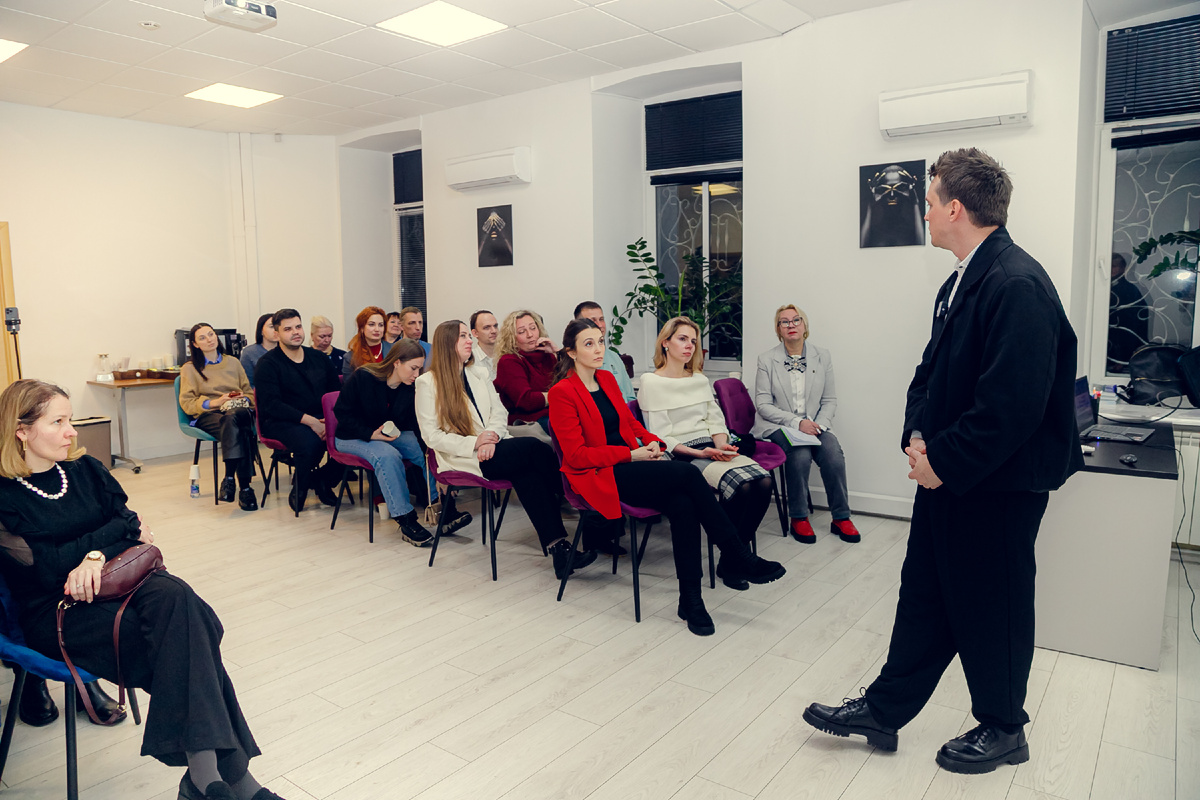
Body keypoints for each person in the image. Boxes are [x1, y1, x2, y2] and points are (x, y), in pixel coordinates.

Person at [803, 148, 1084, 775]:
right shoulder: (959, 280)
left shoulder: (1016, 284)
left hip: (996, 484)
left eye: (928, 202)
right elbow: (928, 374)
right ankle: (884, 710)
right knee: (926, 593)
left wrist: (942, 461)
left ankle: (1004, 728)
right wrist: (917, 436)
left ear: (955, 208)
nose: (924, 213)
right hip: (951, 475)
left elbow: (1012, 406)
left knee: (992, 602)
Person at [0, 379, 287, 800]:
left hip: (122, 580)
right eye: (57, 422)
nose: (71, 432)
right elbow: (44, 568)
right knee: (188, 639)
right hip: (58, 609)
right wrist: (106, 542)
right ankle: (226, 781)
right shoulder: (5, 495)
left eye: (70, 420)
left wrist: (93, 556)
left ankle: (205, 781)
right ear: (21, 430)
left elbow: (129, 522)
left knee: (182, 602)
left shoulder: (86, 469)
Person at [548, 318, 786, 637]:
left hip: (631, 464)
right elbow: (576, 456)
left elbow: (630, 426)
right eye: (588, 344)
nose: (598, 349)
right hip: (598, 474)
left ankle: (691, 601)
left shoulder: (605, 379)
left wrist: (653, 443)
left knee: (683, 503)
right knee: (687, 473)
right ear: (571, 352)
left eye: (600, 341)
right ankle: (736, 553)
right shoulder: (562, 393)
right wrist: (631, 454)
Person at [415, 320, 594, 579]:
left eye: (468, 335)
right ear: (446, 343)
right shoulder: (427, 383)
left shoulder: (478, 373)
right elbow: (431, 436)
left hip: (494, 446)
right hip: (463, 456)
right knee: (534, 448)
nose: (469, 340)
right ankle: (582, 494)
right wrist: (476, 442)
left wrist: (491, 437)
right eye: (463, 336)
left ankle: (560, 551)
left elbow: (499, 412)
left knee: (528, 474)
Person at [638, 317, 772, 588]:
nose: (690, 346)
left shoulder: (699, 379)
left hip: (710, 447)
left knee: (764, 481)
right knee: (744, 486)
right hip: (681, 454)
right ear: (665, 343)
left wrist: (721, 445)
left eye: (693, 341)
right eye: (682, 339)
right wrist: (700, 454)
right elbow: (661, 436)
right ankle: (734, 561)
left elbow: (715, 421)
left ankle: (731, 560)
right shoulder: (651, 381)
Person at [751, 304, 859, 544]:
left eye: (796, 320)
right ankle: (798, 516)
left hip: (815, 425)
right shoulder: (766, 359)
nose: (791, 325)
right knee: (799, 454)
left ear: (804, 325)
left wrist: (818, 426)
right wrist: (797, 423)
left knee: (833, 454)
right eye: (784, 322)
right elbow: (763, 405)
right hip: (778, 424)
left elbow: (829, 400)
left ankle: (841, 517)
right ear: (778, 329)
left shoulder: (823, 356)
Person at [333, 340, 433, 546]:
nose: (417, 374)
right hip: (351, 436)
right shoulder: (364, 376)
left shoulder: (409, 386)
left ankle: (438, 505)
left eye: (419, 369)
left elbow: (414, 424)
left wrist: (427, 445)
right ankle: (406, 519)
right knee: (388, 456)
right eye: (413, 368)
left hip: (386, 434)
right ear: (396, 363)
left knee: (424, 450)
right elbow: (341, 413)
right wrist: (370, 434)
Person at [254, 309, 341, 513]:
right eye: (288, 329)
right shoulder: (267, 364)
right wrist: (311, 422)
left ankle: (321, 480)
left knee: (354, 437)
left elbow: (335, 393)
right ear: (277, 334)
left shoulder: (319, 358)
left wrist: (327, 420)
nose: (295, 332)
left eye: (298, 327)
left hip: (320, 418)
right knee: (310, 443)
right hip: (281, 421)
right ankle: (300, 487)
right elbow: (271, 405)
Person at [179, 323, 259, 511]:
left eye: (211, 334)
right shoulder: (190, 368)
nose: (209, 339)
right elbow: (187, 403)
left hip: (237, 409)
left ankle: (229, 479)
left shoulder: (233, 362)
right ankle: (245, 489)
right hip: (210, 414)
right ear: (195, 344)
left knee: (234, 418)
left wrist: (241, 398)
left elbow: (250, 395)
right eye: (202, 338)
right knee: (238, 427)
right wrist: (216, 402)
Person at [494, 309, 556, 434]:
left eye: (533, 328)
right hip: (528, 421)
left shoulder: (548, 356)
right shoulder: (509, 361)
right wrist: (558, 396)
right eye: (522, 332)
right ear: (512, 338)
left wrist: (556, 353)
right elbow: (526, 401)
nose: (530, 334)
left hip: (554, 413)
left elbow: (572, 385)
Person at [574, 301, 635, 401]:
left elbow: (630, 397)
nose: (600, 325)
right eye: (592, 320)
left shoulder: (614, 357)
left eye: (601, 319)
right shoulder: (574, 359)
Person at [343, 305, 392, 379]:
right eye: (371, 324)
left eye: (381, 325)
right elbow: (349, 385)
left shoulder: (395, 350)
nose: (377, 329)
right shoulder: (350, 358)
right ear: (362, 328)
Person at [238, 313, 278, 388]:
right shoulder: (249, 352)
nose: (276, 330)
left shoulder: (288, 350)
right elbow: (247, 383)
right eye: (272, 327)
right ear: (261, 330)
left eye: (278, 326)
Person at [469, 309, 500, 381]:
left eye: (495, 326)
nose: (494, 331)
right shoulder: (470, 361)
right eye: (487, 327)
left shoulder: (507, 356)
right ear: (475, 333)